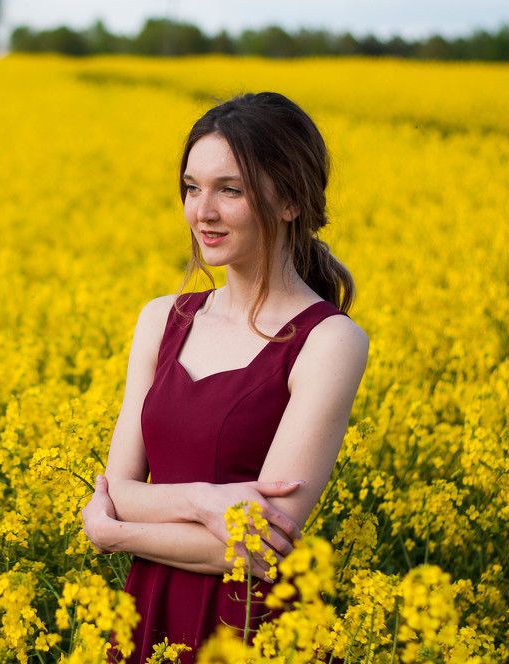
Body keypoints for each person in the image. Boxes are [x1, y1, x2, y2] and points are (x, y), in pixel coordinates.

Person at [80, 92, 369, 663]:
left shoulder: (329, 340)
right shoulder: (161, 319)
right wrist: (209, 502)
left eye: (229, 190)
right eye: (192, 187)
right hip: (148, 618)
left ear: (289, 200)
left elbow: (262, 550)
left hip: (253, 628)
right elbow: (119, 491)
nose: (201, 212)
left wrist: (114, 537)